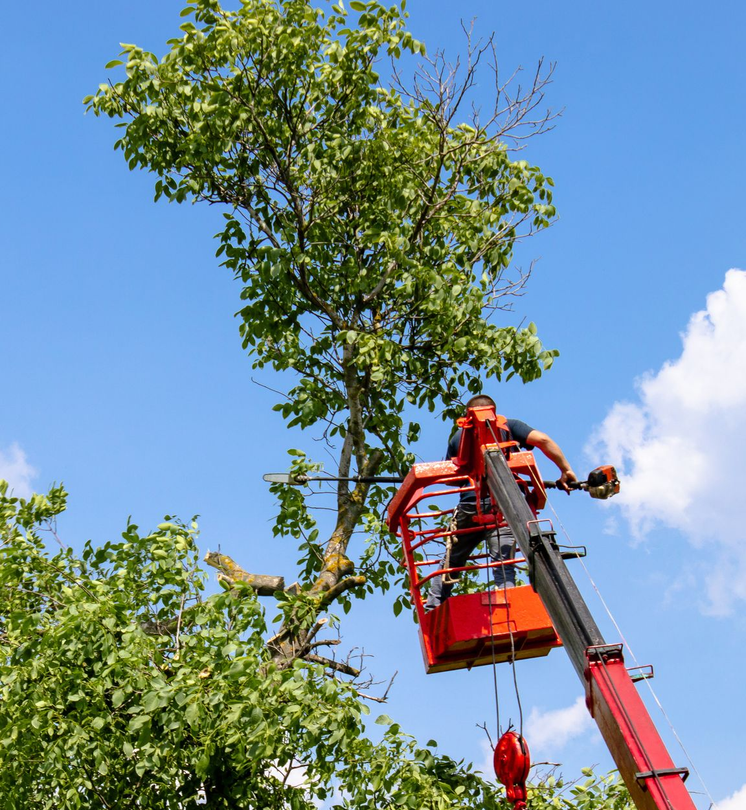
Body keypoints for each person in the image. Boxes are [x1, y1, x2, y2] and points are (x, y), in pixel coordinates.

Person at [424, 394, 578, 610]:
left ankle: (433, 608)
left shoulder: (459, 437)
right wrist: (566, 469)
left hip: (470, 508)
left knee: (452, 561)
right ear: (494, 411)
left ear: (467, 416)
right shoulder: (510, 426)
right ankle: (508, 608)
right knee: (503, 563)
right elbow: (543, 440)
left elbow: (452, 478)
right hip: (503, 507)